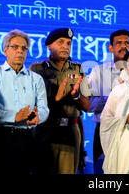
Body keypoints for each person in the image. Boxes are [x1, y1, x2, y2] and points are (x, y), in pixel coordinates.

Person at [0, 29, 49, 174]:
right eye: (15, 47)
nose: (20, 51)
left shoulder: (36, 79)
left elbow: (44, 108)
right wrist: (14, 117)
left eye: (24, 48)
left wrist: (38, 117)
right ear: (5, 51)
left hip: (25, 138)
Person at [30, 27, 91, 174]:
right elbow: (31, 102)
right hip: (45, 130)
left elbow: (87, 106)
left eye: (69, 43)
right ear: (50, 45)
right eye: (61, 42)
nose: (65, 46)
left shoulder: (77, 69)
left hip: (70, 132)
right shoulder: (37, 69)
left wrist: (75, 96)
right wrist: (55, 98)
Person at [87, 29, 129, 173]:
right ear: (110, 48)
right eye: (119, 43)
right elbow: (89, 105)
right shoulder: (98, 71)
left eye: (127, 43)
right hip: (104, 129)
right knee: (102, 171)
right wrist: (113, 99)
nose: (123, 46)